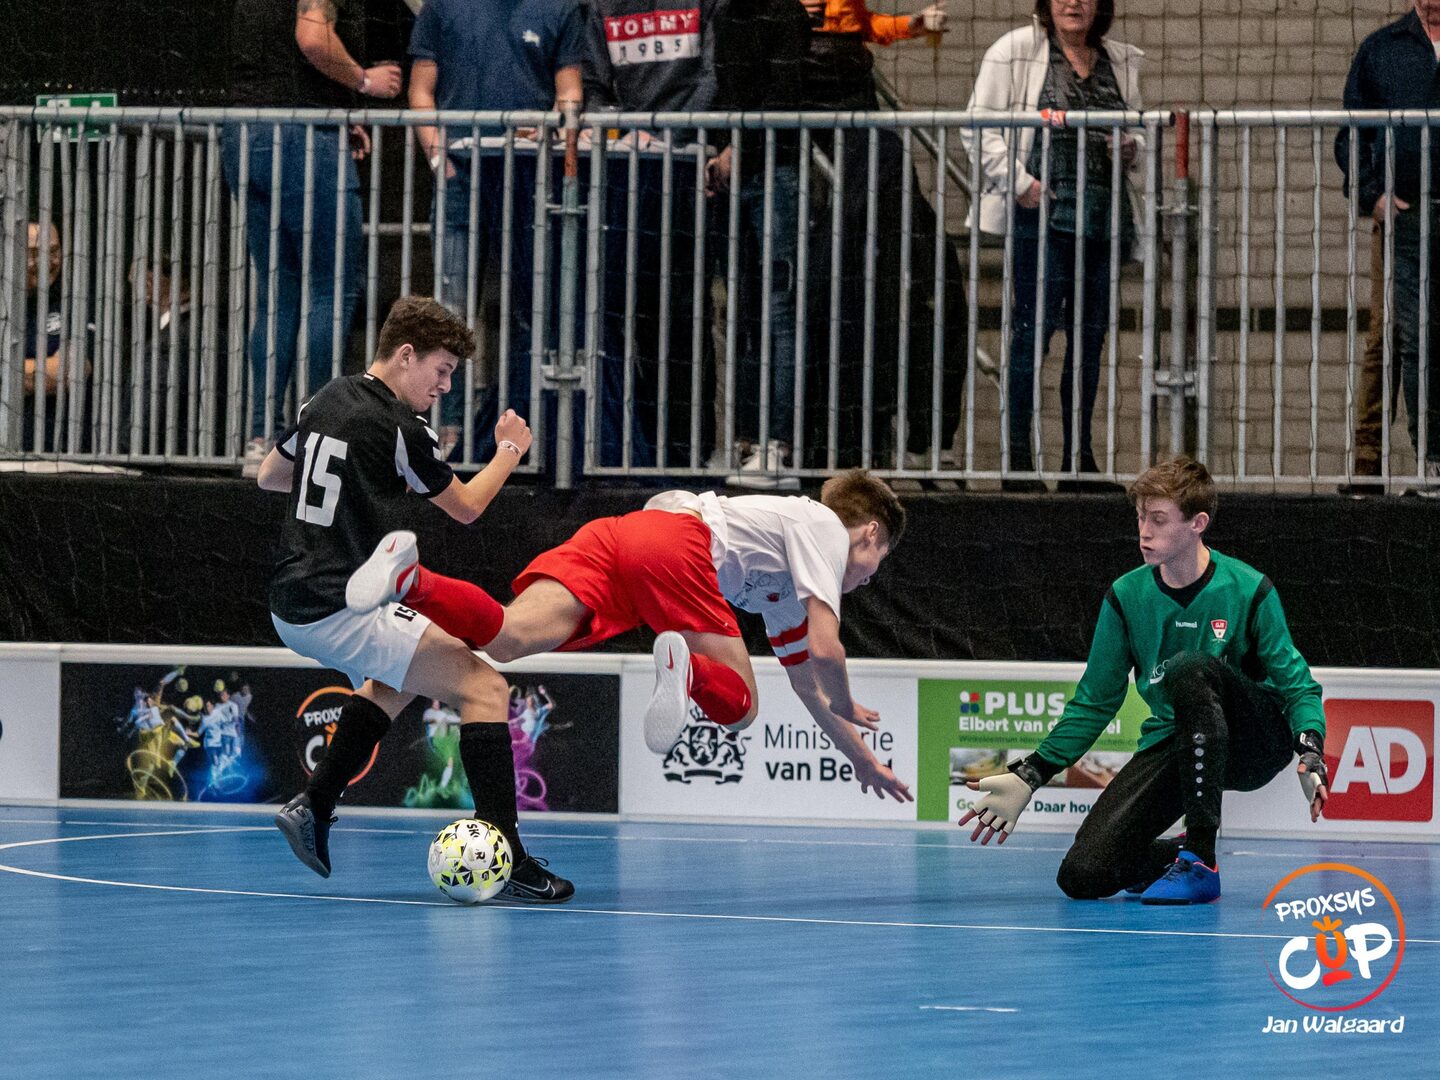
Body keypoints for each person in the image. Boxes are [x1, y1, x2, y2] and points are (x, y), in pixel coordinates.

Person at [256, 295, 573, 903]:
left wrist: (358, 481)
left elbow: (270, 475)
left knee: (400, 679)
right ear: (406, 355)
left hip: (291, 598)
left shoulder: (326, 398)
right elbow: (468, 507)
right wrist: (510, 450)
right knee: (485, 687)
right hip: (341, 602)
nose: (445, 387)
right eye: (442, 370)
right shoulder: (401, 426)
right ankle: (509, 857)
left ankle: (314, 804)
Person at [346, 470, 914, 801]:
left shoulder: (786, 593)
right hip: (680, 544)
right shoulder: (824, 529)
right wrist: (846, 700)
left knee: (508, 638)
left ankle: (411, 578)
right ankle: (687, 668)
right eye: (878, 562)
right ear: (869, 533)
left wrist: (861, 760)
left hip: (626, 536)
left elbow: (808, 687)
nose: (868, 579)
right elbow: (827, 652)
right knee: (741, 707)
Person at [959, 456, 1329, 904]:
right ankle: (1175, 854)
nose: (1144, 531)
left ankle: (1201, 859)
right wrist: (1033, 771)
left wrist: (1311, 748)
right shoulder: (1126, 595)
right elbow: (1095, 701)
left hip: (1254, 742)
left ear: (1198, 523)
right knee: (1082, 876)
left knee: (1189, 668)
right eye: (1140, 517)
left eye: (1158, 519)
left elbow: (1298, 685)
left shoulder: (1249, 588)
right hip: (1178, 741)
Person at [963, 0, 1144, 492]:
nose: (1073, 3)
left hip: (1102, 219)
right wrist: (1018, 182)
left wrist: (1131, 147)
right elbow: (975, 127)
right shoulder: (1014, 50)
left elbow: (1136, 132)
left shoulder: (1120, 60)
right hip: (1042, 217)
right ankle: (1019, 461)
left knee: (1089, 342)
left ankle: (1077, 461)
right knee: (1032, 335)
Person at [225, 0, 403, 476]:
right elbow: (311, 37)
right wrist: (363, 82)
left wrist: (339, 110)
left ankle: (261, 439)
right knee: (331, 287)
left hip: (245, 133)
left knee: (278, 292)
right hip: (302, 135)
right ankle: (318, 436)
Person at [407, 0, 585, 462]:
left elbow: (570, 92)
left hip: (529, 176)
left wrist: (550, 136)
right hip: (460, 174)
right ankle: (448, 430)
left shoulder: (558, 7)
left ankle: (528, 429)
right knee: (451, 309)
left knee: (534, 306)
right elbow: (421, 90)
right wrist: (437, 158)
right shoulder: (443, 6)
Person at [797, 0, 966, 473]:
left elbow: (865, 24)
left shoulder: (881, 150)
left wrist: (910, 25)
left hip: (878, 219)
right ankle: (872, 437)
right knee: (850, 303)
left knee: (928, 292)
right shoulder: (778, 34)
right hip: (850, 228)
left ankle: (922, 434)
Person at [1336, 0, 1440, 496]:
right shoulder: (1382, 50)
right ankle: (1372, 463)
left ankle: (1425, 461)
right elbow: (1351, 134)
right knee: (1394, 336)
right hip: (1405, 219)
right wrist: (1371, 195)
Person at [708, 0, 812, 489]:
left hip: (775, 172)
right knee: (744, 309)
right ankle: (747, 442)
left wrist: (734, 149)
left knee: (779, 307)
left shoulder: (786, 13)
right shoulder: (726, 14)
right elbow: (719, 92)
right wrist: (715, 152)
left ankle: (777, 444)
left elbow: (782, 96)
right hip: (735, 173)